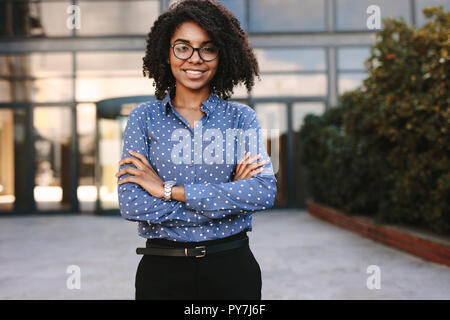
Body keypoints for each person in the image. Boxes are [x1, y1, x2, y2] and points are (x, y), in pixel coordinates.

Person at [115, 0, 277, 300]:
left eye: (208, 48)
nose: (195, 58)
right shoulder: (142, 118)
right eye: (183, 47)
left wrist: (166, 190)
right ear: (167, 52)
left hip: (232, 269)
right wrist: (228, 198)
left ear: (222, 54)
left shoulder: (241, 118)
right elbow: (132, 204)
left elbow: (263, 192)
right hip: (161, 273)